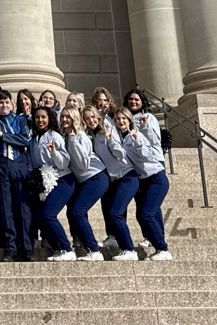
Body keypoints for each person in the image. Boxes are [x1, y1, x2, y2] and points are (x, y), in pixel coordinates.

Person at [83, 104, 139, 261]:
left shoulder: (107, 132)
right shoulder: (91, 136)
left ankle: (129, 249)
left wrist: (112, 140)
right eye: (87, 118)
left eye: (93, 117)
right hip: (113, 180)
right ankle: (119, 243)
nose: (91, 120)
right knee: (110, 212)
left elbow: (121, 154)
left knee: (115, 212)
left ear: (98, 117)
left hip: (126, 176)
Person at [114, 106, 172, 261]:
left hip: (156, 178)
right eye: (118, 119)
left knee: (145, 214)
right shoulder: (121, 138)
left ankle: (163, 248)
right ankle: (159, 247)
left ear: (129, 121)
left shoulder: (136, 135)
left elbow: (148, 156)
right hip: (144, 181)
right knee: (144, 215)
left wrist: (138, 142)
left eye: (124, 118)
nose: (121, 121)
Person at [0, 90, 32, 262]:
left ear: (12, 104)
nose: (4, 105)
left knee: (23, 208)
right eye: (0, 103)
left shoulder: (20, 120)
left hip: (19, 165)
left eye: (6, 102)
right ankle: (10, 247)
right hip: (0, 165)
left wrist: (3, 135)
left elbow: (24, 140)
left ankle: (26, 247)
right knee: (5, 208)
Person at [61, 106, 108, 261]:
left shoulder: (80, 136)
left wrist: (74, 140)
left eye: (68, 116)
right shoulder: (67, 137)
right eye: (62, 116)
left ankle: (94, 250)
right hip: (85, 180)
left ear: (74, 118)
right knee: (73, 212)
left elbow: (82, 164)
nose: (64, 119)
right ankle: (87, 245)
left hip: (95, 177)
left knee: (77, 211)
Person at [30, 105, 73, 262]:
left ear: (49, 119)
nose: (40, 120)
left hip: (62, 180)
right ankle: (58, 248)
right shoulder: (34, 139)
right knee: (39, 216)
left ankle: (66, 248)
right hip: (45, 182)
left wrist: (54, 152)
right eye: (37, 117)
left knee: (48, 214)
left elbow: (64, 163)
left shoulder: (55, 136)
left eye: (43, 117)